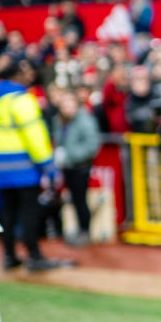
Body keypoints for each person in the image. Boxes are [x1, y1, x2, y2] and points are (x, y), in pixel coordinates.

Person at [0, 56, 71, 271]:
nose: (29, 76)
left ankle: (9, 256)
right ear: (16, 75)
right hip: (24, 167)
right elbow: (36, 137)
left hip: (1, 170)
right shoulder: (23, 100)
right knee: (29, 212)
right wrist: (48, 166)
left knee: (8, 214)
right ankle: (34, 256)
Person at [52, 89, 102, 247]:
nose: (66, 107)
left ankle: (85, 231)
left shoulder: (85, 121)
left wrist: (69, 155)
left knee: (81, 200)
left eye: (69, 103)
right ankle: (79, 229)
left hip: (80, 167)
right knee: (73, 199)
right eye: (64, 104)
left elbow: (91, 146)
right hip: (67, 167)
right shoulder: (60, 121)